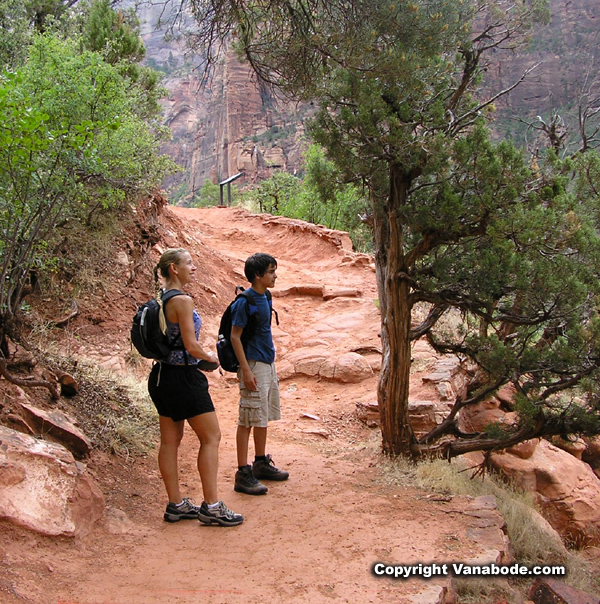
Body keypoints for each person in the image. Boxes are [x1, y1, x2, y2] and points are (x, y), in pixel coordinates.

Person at [148, 248, 243, 526]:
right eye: (189, 263)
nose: (194, 267)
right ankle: (212, 506)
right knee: (211, 437)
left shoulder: (161, 298)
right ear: (174, 269)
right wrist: (211, 358)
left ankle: (175, 504)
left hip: (161, 376)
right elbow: (190, 345)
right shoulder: (182, 301)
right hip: (185, 378)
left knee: (169, 441)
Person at [230, 253, 289, 495]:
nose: (275, 276)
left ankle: (260, 462)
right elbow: (235, 336)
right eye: (271, 271)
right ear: (258, 275)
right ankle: (243, 472)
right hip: (253, 364)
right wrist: (245, 370)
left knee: (262, 414)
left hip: (267, 363)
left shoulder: (266, 296)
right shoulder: (246, 301)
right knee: (247, 417)